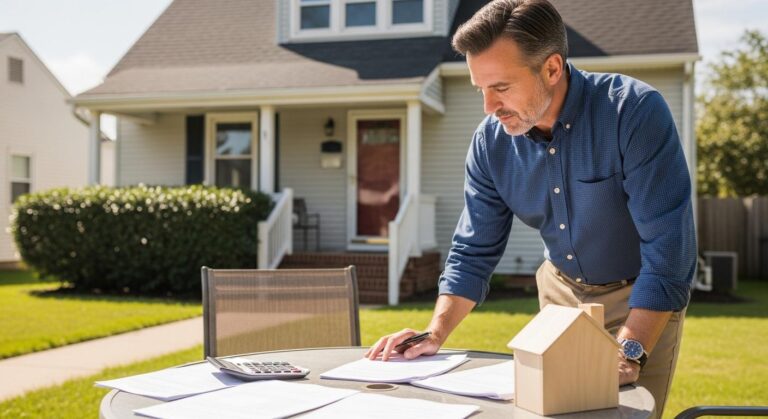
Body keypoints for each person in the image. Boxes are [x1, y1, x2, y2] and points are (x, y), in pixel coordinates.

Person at [364, 0, 696, 417]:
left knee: (625, 412)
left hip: (638, 296)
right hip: (558, 292)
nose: (488, 106)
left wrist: (629, 351)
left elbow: (669, 252)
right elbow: (473, 250)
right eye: (480, 89)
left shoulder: (632, 113)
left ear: (552, 69)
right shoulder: (491, 144)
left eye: (501, 87)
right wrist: (434, 332)